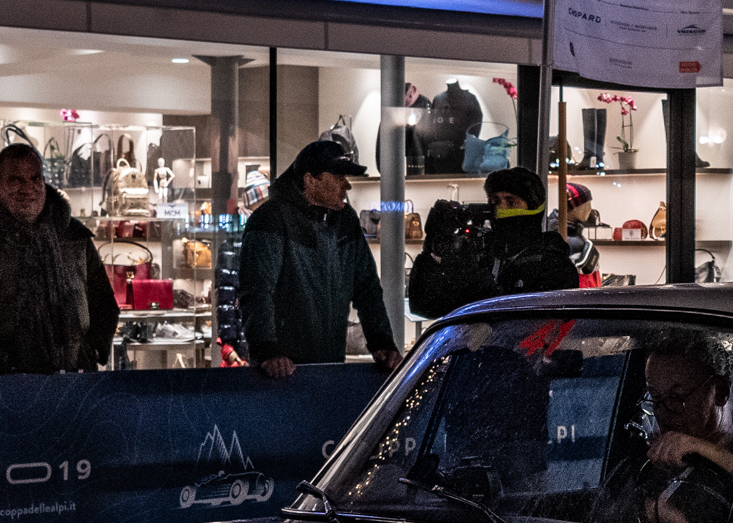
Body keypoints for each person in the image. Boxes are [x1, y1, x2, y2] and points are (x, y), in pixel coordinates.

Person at [0, 140, 117, 374]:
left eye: (35, 178)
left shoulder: (73, 235)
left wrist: (93, 349)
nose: (27, 188)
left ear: (44, 181)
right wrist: (3, 364)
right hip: (1, 383)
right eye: (16, 180)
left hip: (75, 377)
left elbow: (103, 301)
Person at [239, 136, 394, 378]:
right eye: (338, 178)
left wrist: (381, 341)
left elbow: (367, 288)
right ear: (310, 180)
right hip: (281, 371)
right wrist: (267, 350)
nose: (347, 186)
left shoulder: (346, 220)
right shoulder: (270, 219)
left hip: (331, 365)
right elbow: (257, 290)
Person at [596, 331, 733, 523]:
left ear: (720, 392)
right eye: (656, 398)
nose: (664, 412)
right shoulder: (647, 464)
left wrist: (702, 449)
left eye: (677, 397)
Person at [411, 165, 587, 318]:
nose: (501, 209)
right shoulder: (480, 252)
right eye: (495, 201)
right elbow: (425, 305)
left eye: (511, 202)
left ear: (533, 207)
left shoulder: (554, 265)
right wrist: (432, 247)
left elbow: (520, 321)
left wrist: (474, 278)